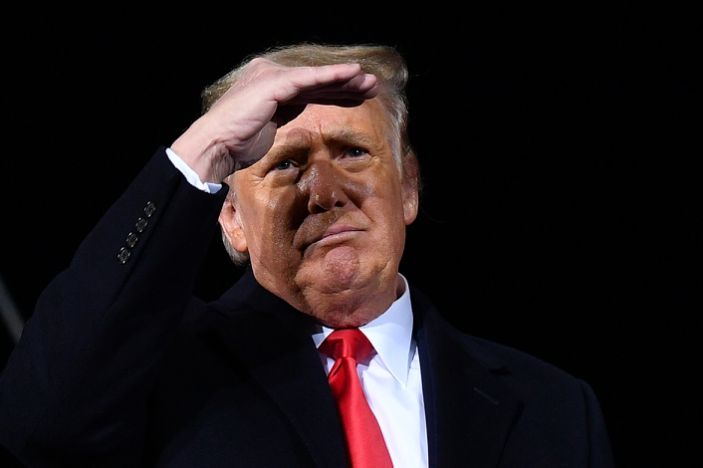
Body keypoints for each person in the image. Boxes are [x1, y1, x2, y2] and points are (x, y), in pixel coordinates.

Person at [0, 43, 614, 467]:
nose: (324, 193)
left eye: (352, 152)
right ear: (233, 219)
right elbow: (42, 424)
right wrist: (209, 143)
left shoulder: (554, 408)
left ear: (409, 188)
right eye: (286, 164)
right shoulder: (154, 375)